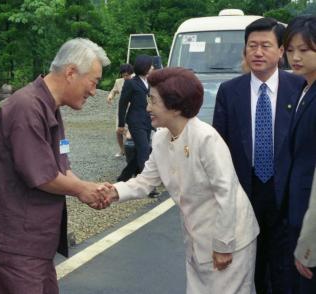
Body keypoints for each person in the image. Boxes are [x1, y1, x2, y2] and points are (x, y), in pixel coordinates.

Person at [0, 38, 111, 294]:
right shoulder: (26, 107)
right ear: (71, 72)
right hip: (12, 244)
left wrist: (89, 188)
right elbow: (42, 175)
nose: (93, 91)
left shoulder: (50, 107)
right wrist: (81, 190)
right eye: (94, 81)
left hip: (31, 245)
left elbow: (60, 166)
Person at [102, 68, 259, 294]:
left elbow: (227, 194)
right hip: (197, 239)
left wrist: (224, 245)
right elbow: (145, 181)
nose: (147, 108)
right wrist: (112, 192)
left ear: (174, 106)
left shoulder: (206, 138)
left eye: (153, 101)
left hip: (230, 239)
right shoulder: (161, 138)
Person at [212, 17, 305, 294]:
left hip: (287, 195)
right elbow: (220, 148)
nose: (258, 52)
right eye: (252, 46)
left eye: (266, 45)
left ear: (281, 51)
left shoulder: (299, 87)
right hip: (246, 191)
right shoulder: (230, 91)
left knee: (286, 269)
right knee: (252, 268)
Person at [283, 15, 316, 293]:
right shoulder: (304, 88)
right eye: (291, 49)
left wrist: (309, 244)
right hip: (298, 212)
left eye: (304, 50)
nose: (295, 57)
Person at [117, 55, 153, 181]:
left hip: (148, 120)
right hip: (135, 120)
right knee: (144, 149)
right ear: (144, 67)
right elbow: (122, 104)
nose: (152, 67)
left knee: (140, 150)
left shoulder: (150, 82)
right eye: (150, 65)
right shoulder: (130, 83)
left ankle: (124, 176)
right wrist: (121, 124)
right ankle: (147, 183)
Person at [107, 63, 133, 157]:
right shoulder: (118, 81)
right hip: (121, 110)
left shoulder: (135, 80)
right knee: (118, 131)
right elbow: (114, 91)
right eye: (124, 75)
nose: (126, 77)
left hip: (133, 110)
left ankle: (133, 148)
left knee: (131, 131)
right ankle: (122, 150)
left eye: (128, 75)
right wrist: (110, 96)